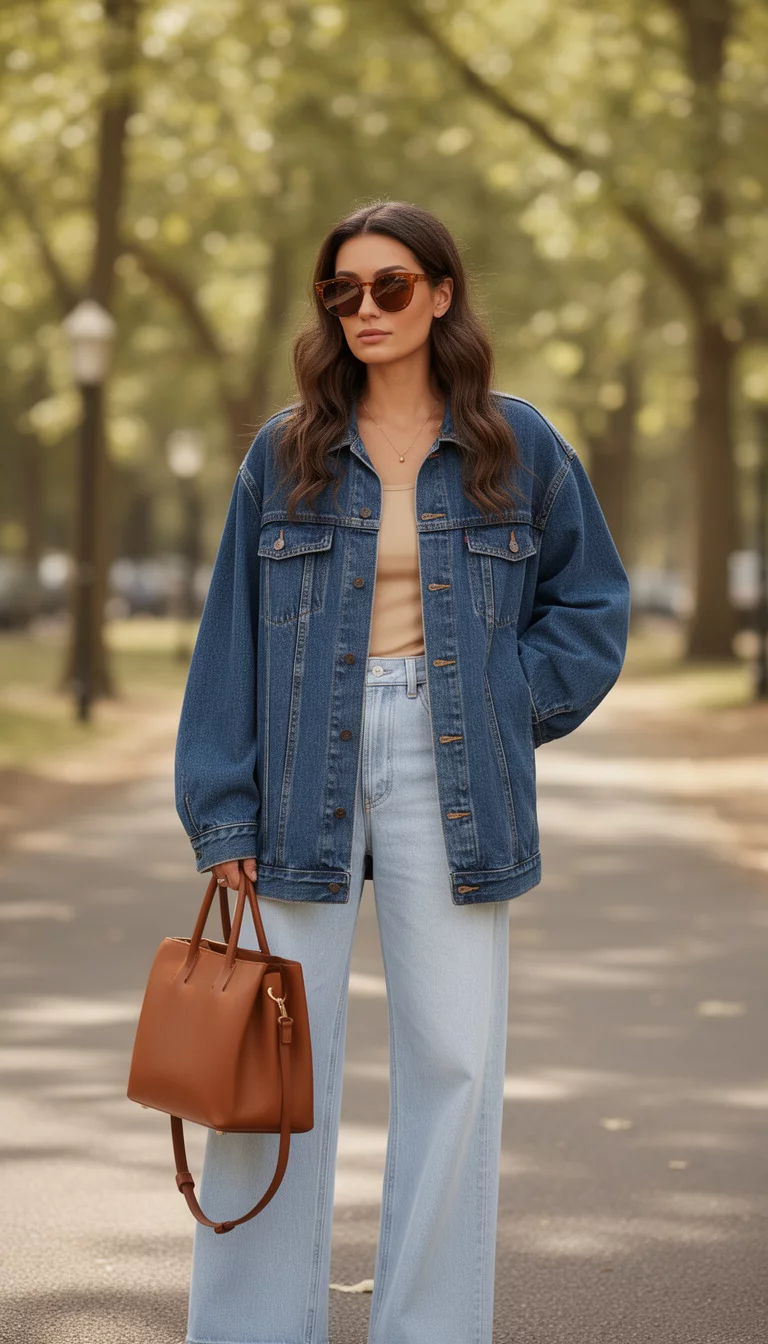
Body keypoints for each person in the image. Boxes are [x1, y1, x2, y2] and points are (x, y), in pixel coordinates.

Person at [174, 199, 631, 1344]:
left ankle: (429, 1328)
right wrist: (220, 812)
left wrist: (506, 703)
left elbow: (592, 606)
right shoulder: (284, 453)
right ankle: (247, 1330)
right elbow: (228, 638)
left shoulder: (516, 445)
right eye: (343, 291)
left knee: (455, 1064)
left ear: (439, 295)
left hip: (454, 764)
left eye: (389, 286)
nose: (365, 309)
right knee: (266, 1069)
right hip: (294, 772)